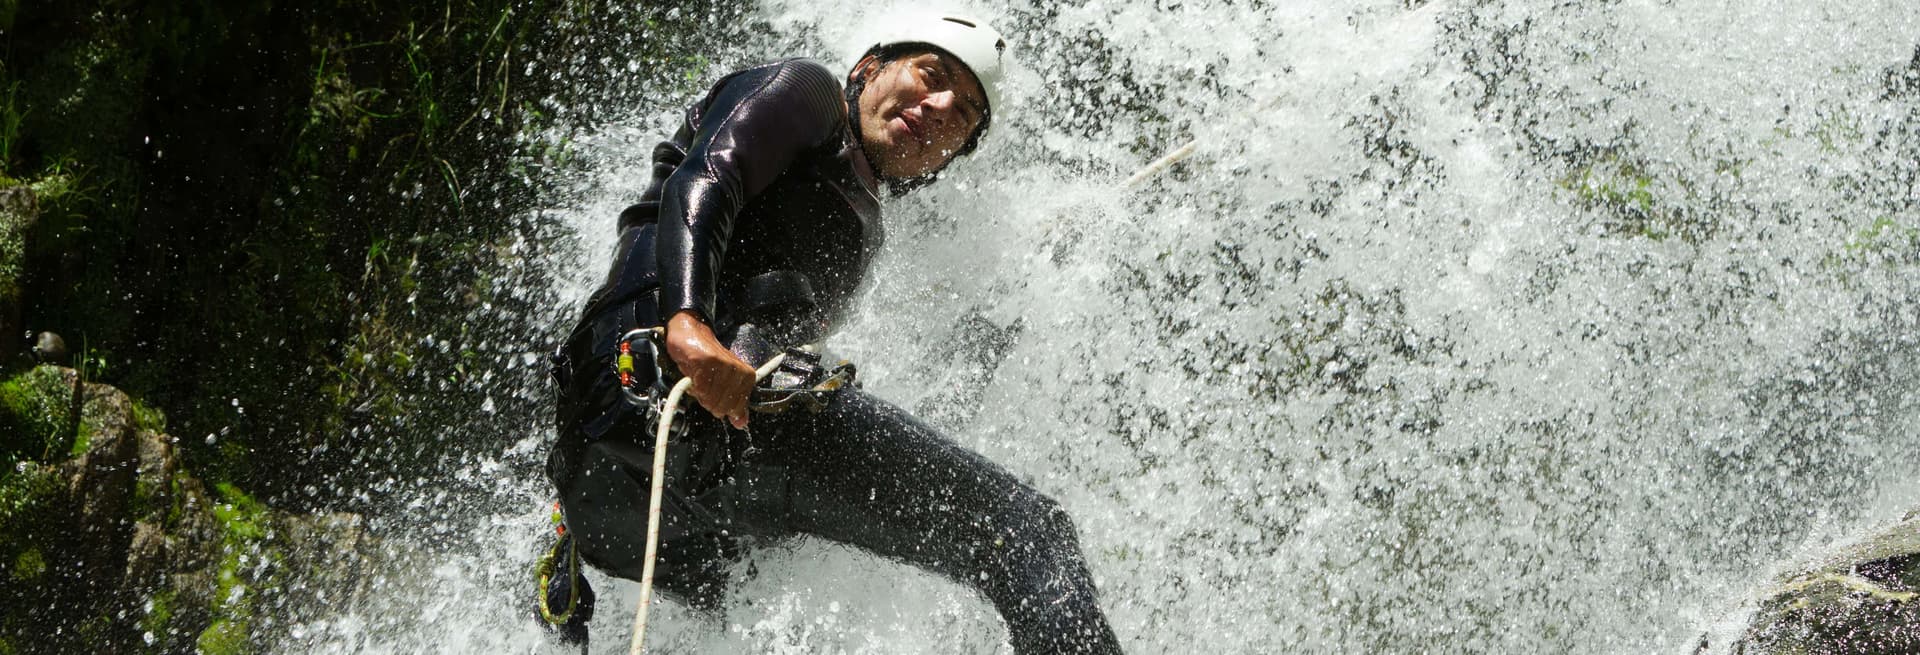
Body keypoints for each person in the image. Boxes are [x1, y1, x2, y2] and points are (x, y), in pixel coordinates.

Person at [533, 12, 1122, 654]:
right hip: (656, 379)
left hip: (642, 485)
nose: (941, 106)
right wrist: (688, 324)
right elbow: (706, 179)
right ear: (869, 68)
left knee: (746, 615)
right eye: (931, 74)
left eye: (963, 117)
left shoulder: (864, 226)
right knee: (1026, 533)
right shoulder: (807, 93)